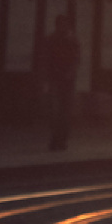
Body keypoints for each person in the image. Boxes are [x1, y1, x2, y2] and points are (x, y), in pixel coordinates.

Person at [40, 14, 79, 151]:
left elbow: (75, 60)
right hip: (58, 80)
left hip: (62, 80)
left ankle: (60, 139)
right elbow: (75, 60)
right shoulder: (67, 40)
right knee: (58, 111)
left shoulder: (65, 41)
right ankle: (58, 139)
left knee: (62, 111)